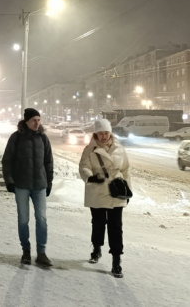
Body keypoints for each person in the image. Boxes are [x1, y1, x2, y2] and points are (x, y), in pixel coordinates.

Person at [79, 118, 131, 278]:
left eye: (106, 133)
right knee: (98, 223)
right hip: (98, 190)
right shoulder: (90, 149)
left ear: (110, 133)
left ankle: (116, 261)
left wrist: (128, 190)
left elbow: (126, 170)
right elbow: (84, 166)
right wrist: (90, 177)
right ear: (96, 134)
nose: (103, 136)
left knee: (116, 227)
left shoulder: (119, 148)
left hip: (116, 191)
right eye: (100, 133)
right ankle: (96, 249)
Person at [2, 108, 54, 267]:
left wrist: (49, 183)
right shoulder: (16, 137)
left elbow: (48, 162)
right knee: (23, 220)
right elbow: (7, 160)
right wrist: (10, 181)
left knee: (42, 219)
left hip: (39, 185)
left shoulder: (43, 138)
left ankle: (41, 253)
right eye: (34, 120)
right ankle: (26, 251)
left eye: (39, 120)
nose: (37, 123)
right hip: (21, 185)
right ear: (26, 121)